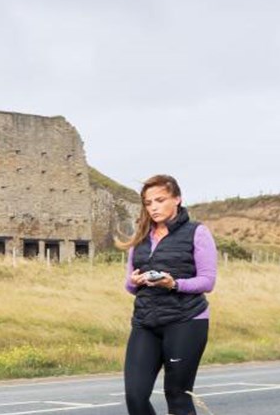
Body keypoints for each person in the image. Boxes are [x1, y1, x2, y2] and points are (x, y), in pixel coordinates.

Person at [121, 174, 217, 415]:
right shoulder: (140, 237)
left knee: (177, 397)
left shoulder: (197, 232)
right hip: (145, 322)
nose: (153, 207)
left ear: (177, 199)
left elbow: (208, 281)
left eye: (160, 200)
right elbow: (130, 286)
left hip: (186, 321)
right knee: (135, 397)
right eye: (148, 202)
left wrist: (174, 284)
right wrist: (134, 282)